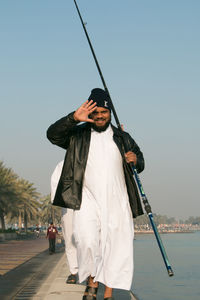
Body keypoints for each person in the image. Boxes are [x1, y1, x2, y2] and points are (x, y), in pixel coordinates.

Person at [47, 88, 144, 300]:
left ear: (110, 113)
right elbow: (52, 135)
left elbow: (140, 159)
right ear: (90, 113)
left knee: (114, 244)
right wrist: (73, 118)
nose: (100, 116)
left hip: (117, 199)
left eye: (104, 112)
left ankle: (107, 292)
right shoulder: (78, 135)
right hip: (87, 198)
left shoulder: (122, 137)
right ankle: (92, 279)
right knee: (86, 239)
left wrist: (135, 159)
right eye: (95, 112)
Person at [51, 160, 78, 284]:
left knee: (91, 238)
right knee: (69, 238)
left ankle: (92, 273)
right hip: (68, 205)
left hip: (90, 204)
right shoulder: (63, 163)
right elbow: (55, 183)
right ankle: (74, 271)